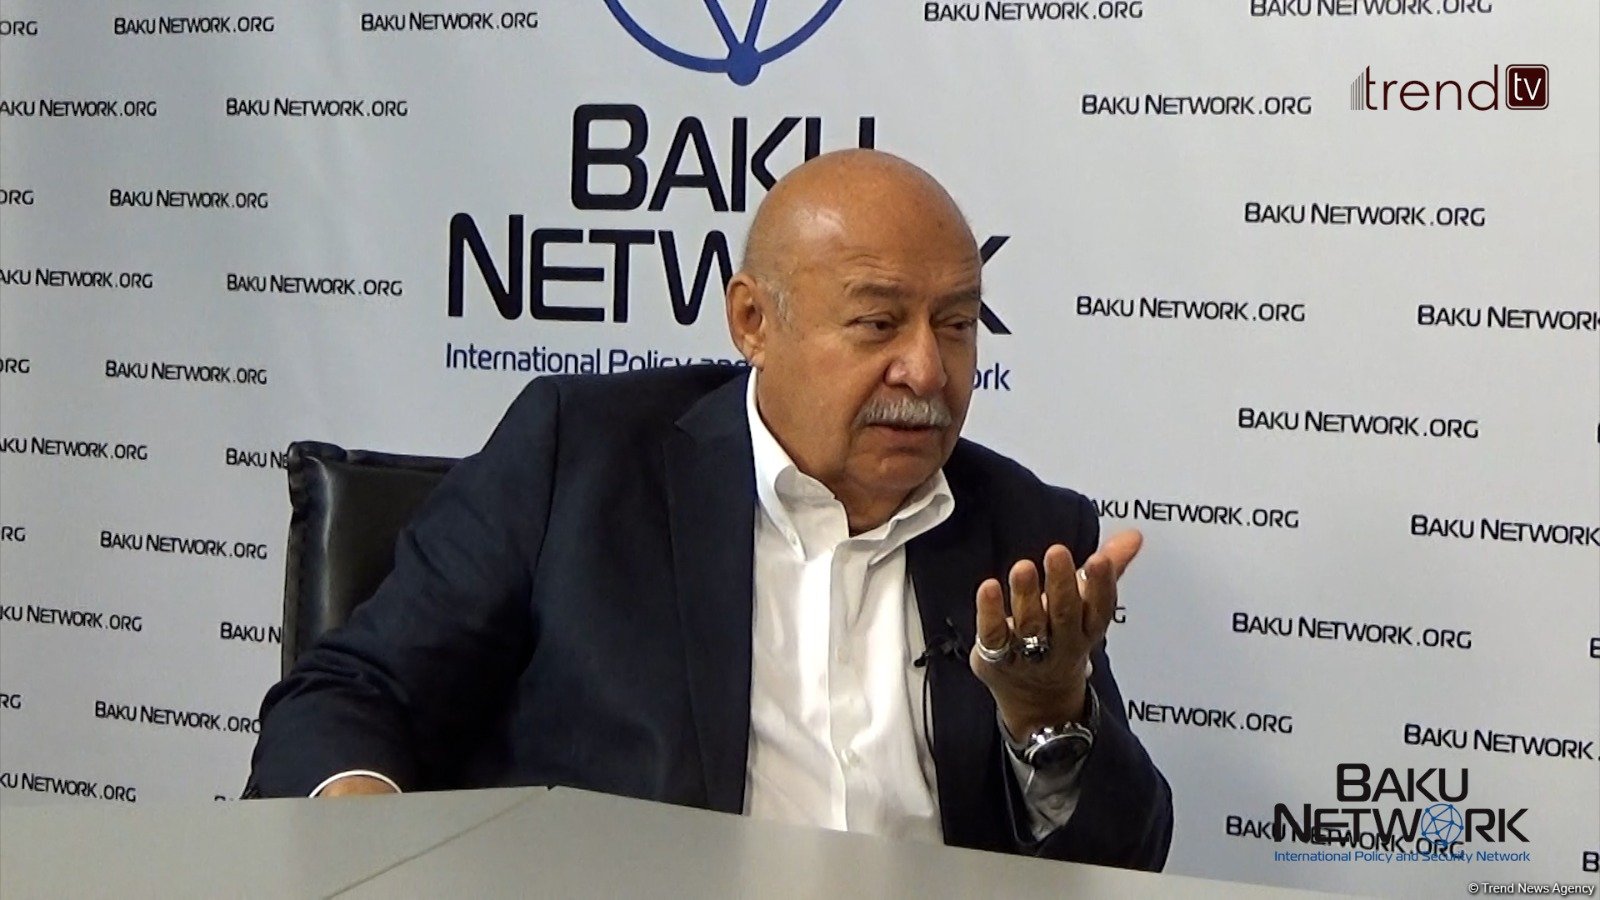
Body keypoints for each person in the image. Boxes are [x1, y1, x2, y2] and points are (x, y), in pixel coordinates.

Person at [247, 149, 1172, 868]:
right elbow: (348, 698)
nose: (927, 370)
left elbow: (1127, 859)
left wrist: (1051, 720)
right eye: (878, 323)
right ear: (752, 322)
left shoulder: (1026, 531)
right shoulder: (581, 461)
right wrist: (379, 852)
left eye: (958, 324)